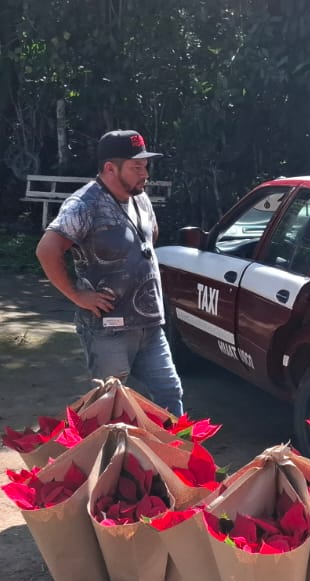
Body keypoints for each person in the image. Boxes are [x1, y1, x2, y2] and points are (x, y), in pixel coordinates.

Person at [33, 130, 184, 415]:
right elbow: (47, 250)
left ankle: (173, 457)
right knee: (110, 406)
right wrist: (78, 295)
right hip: (108, 329)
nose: (145, 173)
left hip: (149, 324)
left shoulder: (140, 198)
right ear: (110, 168)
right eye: (136, 167)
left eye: (146, 166)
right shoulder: (84, 205)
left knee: (169, 392)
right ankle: (105, 459)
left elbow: (149, 238)